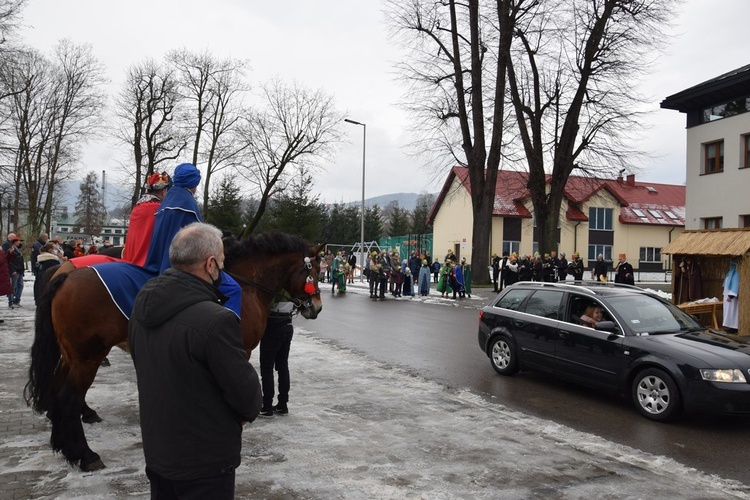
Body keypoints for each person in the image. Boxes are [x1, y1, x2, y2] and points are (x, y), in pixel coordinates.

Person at [129, 222, 261, 498]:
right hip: (205, 463)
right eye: (222, 262)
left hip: (159, 452)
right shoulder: (216, 320)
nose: (223, 269)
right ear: (210, 264)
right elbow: (248, 396)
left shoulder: (142, 304)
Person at [144, 162, 242, 316]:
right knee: (233, 289)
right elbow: (198, 239)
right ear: (194, 183)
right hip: (183, 265)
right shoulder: (188, 204)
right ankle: (228, 327)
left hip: (157, 263)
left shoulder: (166, 200)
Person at [259, 292, 295, 418]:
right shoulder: (291, 285)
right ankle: (282, 405)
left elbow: (267, 304)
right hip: (288, 324)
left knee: (267, 367)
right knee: (283, 367)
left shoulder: (277, 286)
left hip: (273, 325)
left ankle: (267, 406)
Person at [122, 172, 170, 266]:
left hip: (129, 262)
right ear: (163, 192)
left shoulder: (137, 208)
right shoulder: (159, 209)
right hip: (147, 265)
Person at [6, 236, 24, 308]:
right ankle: (11, 301)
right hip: (15, 270)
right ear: (15, 242)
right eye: (18, 241)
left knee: (20, 285)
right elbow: (9, 261)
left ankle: (17, 300)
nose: (20, 243)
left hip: (19, 270)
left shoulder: (18, 250)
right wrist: (13, 270)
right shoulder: (11, 250)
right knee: (14, 286)